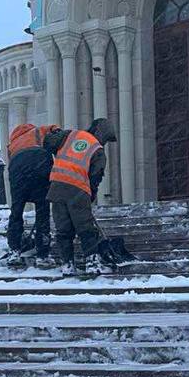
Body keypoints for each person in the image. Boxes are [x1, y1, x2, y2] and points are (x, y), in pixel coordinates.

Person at [48, 118, 117, 276]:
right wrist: (90, 196)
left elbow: (50, 141)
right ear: (102, 134)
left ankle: (67, 265)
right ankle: (92, 263)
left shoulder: (71, 136)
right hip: (77, 190)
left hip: (56, 187)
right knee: (85, 228)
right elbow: (95, 177)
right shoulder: (97, 150)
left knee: (63, 229)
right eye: (106, 139)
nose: (105, 143)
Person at [5, 122, 65, 264]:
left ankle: (14, 251)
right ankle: (43, 254)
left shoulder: (12, 143)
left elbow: (11, 162)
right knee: (42, 210)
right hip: (40, 162)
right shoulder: (39, 130)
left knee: (16, 211)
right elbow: (55, 130)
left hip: (17, 169)